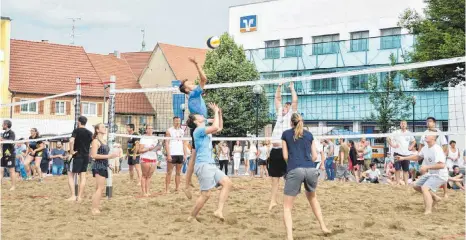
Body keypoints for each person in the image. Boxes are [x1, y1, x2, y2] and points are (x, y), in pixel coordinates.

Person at [281, 113, 330, 239]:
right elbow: (314, 157)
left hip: (295, 169)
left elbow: (285, 156)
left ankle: (290, 237)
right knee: (313, 199)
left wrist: (292, 163)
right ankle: (323, 226)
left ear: (291, 122)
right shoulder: (309, 135)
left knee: (287, 207)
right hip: (310, 169)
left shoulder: (286, 134)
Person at [186, 103, 232, 222]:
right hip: (203, 165)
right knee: (206, 194)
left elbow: (219, 128)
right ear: (196, 121)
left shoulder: (204, 130)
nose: (202, 115)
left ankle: (219, 210)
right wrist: (215, 111)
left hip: (210, 164)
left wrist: (219, 113)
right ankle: (191, 216)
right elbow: (215, 127)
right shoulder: (198, 130)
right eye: (199, 116)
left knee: (227, 183)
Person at [396, 131, 448, 215]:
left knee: (424, 188)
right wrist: (403, 158)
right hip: (431, 174)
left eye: (428, 134)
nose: (426, 135)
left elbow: (442, 165)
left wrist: (427, 167)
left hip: (440, 175)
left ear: (434, 138)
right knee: (416, 186)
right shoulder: (425, 148)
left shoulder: (437, 149)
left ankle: (428, 211)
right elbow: (417, 157)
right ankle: (435, 197)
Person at [180, 57, 209, 197]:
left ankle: (188, 182)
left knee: (195, 155)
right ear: (186, 89)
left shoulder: (194, 95)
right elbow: (204, 79)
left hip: (200, 126)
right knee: (195, 155)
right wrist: (197, 64)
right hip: (198, 128)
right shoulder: (193, 94)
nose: (193, 83)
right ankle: (187, 183)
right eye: (190, 83)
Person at [268, 82, 298, 211]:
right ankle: (273, 201)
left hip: (285, 150)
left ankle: (288, 202)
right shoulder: (279, 114)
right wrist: (279, 87)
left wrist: (292, 89)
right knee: (275, 178)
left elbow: (295, 101)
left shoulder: (291, 115)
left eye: (287, 106)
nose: (285, 107)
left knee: (288, 177)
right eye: (285, 106)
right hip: (275, 150)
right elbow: (277, 98)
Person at [90, 123, 118, 215]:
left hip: (103, 165)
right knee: (100, 188)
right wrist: (109, 156)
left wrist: (108, 164)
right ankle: (94, 209)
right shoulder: (96, 141)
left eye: (105, 127)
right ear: (97, 130)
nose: (104, 128)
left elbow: (103, 156)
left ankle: (95, 207)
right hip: (98, 165)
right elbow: (93, 155)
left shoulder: (104, 141)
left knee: (99, 188)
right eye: (102, 127)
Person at [67, 116, 93, 202]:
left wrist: (71, 151)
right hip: (86, 156)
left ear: (78, 122)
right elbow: (92, 144)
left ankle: (73, 196)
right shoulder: (90, 132)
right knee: (83, 176)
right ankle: (80, 197)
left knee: (70, 174)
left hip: (77, 155)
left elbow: (71, 141)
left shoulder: (76, 130)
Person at [388, 120, 416, 185]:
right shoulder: (396, 132)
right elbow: (388, 138)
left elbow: (414, 141)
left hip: (406, 155)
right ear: (400, 125)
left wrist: (411, 147)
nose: (403, 125)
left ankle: (406, 184)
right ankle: (398, 183)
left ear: (406, 125)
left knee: (406, 170)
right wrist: (393, 145)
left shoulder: (409, 133)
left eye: (404, 124)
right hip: (397, 153)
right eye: (402, 123)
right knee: (397, 169)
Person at [165, 117, 188, 193]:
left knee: (178, 172)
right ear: (173, 121)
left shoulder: (182, 131)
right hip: (172, 153)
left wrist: (185, 154)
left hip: (180, 154)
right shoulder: (169, 130)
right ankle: (167, 189)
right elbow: (166, 143)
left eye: (179, 121)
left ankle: (177, 188)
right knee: (169, 172)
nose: (177, 122)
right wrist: (168, 155)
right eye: (176, 121)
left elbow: (184, 143)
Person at [139, 125, 160, 196]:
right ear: (146, 130)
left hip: (153, 158)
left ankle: (148, 191)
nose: (150, 129)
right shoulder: (143, 138)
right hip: (145, 158)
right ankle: (144, 192)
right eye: (149, 128)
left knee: (149, 176)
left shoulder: (155, 138)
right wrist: (148, 149)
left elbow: (156, 148)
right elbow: (140, 150)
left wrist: (158, 148)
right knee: (144, 175)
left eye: (151, 128)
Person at [0, 120, 16, 190]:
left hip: (10, 154)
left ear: (6, 125)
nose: (2, 125)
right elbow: (3, 144)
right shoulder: (4, 133)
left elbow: (11, 141)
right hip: (3, 154)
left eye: (3, 124)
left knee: (11, 170)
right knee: (1, 170)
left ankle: (13, 186)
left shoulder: (11, 132)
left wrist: (2, 139)